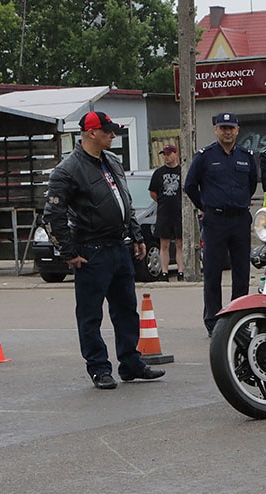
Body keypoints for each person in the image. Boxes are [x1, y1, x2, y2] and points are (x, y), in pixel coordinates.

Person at [44, 111, 165, 389]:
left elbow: (124, 201)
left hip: (119, 247)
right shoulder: (68, 169)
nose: (113, 135)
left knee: (127, 309)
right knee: (90, 314)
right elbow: (53, 215)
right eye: (108, 131)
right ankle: (99, 368)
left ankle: (131, 363)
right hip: (91, 250)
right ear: (91, 133)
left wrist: (136, 235)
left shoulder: (111, 161)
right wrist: (69, 252)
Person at [184, 112, 258, 336]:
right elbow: (190, 185)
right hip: (215, 220)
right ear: (216, 129)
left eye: (231, 128)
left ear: (237, 130)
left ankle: (239, 320)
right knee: (213, 273)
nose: (227, 132)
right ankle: (214, 322)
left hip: (240, 219)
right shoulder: (205, 156)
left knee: (241, 273)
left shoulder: (246, 156)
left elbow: (252, 184)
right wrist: (206, 206)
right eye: (223, 128)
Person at [149, 144, 184, 281]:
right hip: (164, 213)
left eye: (169, 154)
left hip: (179, 212)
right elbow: (153, 192)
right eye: (164, 154)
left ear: (175, 154)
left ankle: (181, 271)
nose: (166, 157)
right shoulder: (159, 173)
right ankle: (164, 272)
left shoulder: (182, 171)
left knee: (180, 243)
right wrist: (163, 201)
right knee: (164, 244)